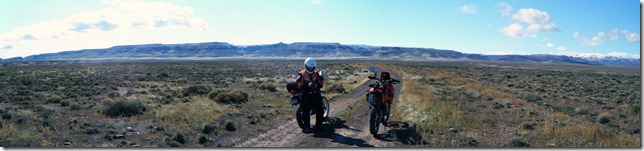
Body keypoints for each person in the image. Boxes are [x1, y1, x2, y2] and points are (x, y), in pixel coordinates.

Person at [295, 58, 325, 133]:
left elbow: (321, 83)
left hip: (315, 93)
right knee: (305, 110)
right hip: (306, 94)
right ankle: (307, 127)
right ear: (306, 66)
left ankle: (319, 125)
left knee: (320, 109)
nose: (311, 68)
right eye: (309, 67)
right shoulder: (301, 74)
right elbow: (298, 84)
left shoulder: (316, 73)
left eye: (312, 67)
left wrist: (316, 85)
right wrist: (307, 85)